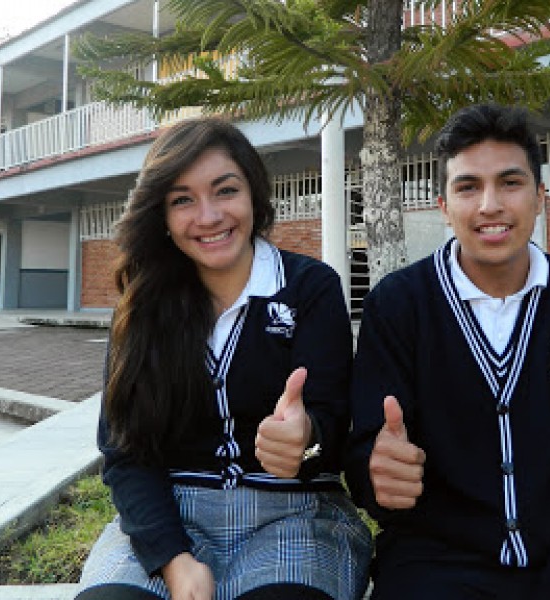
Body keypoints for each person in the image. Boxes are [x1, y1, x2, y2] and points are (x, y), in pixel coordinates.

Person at [345, 103, 550, 599]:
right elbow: (369, 448)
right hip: (435, 564)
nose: (490, 205)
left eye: (510, 183)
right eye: (468, 187)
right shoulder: (399, 305)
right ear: (443, 205)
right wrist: (375, 472)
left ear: (539, 196)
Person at [76, 117, 372, 600]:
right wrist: (173, 558)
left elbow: (335, 426)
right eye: (182, 200)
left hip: (294, 513)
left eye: (225, 190)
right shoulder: (142, 305)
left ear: (254, 195)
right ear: (163, 219)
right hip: (171, 515)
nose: (209, 216)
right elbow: (125, 452)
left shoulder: (309, 288)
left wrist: (307, 439)